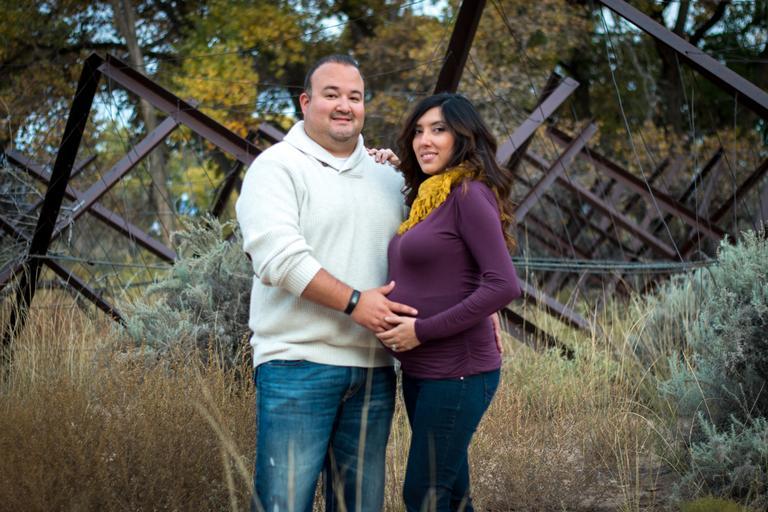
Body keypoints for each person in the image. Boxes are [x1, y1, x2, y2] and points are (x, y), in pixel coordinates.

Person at [235, 54, 417, 512]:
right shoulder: (276, 167)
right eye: (331, 94)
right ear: (305, 102)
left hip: (374, 370)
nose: (344, 106)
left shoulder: (388, 178)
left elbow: (431, 248)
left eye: (355, 97)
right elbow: (279, 260)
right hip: (297, 365)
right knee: (283, 504)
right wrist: (356, 303)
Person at [374, 93, 522, 512]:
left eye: (438, 130)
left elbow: (503, 284)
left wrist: (420, 331)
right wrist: (383, 166)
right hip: (422, 372)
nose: (425, 140)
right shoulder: (429, 197)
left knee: (423, 495)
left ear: (463, 137)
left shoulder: (468, 194)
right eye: (418, 131)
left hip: (458, 372)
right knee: (452, 498)